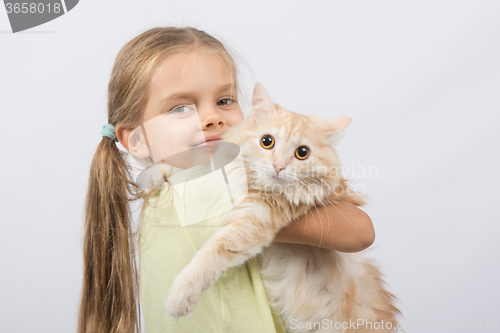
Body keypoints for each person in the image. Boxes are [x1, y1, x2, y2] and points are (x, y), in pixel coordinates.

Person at [78, 26, 376, 333]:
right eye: (180, 108)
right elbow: (360, 231)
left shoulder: (162, 192)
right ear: (137, 139)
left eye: (224, 101)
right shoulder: (201, 188)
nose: (213, 118)